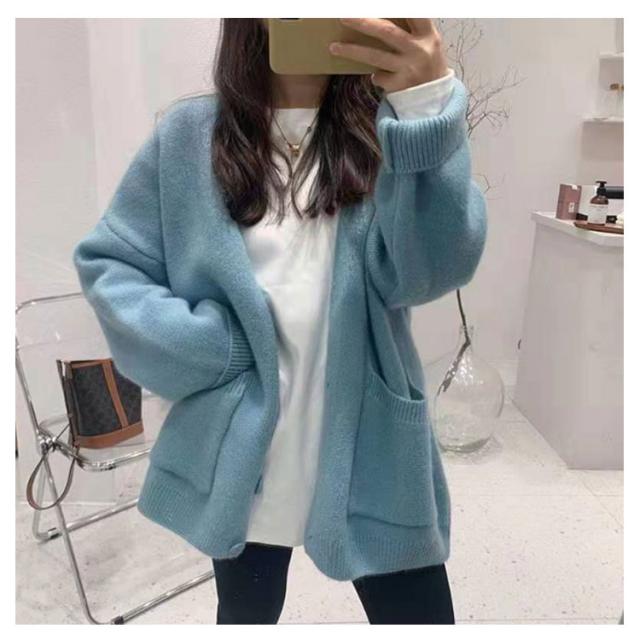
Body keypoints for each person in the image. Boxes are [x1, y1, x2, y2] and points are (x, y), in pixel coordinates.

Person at [73, 18, 487, 624]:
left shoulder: (392, 132)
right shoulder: (189, 136)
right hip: (243, 457)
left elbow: (433, 270)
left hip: (370, 444)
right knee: (246, 615)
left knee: (419, 617)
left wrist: (427, 104)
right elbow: (111, 263)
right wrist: (210, 350)